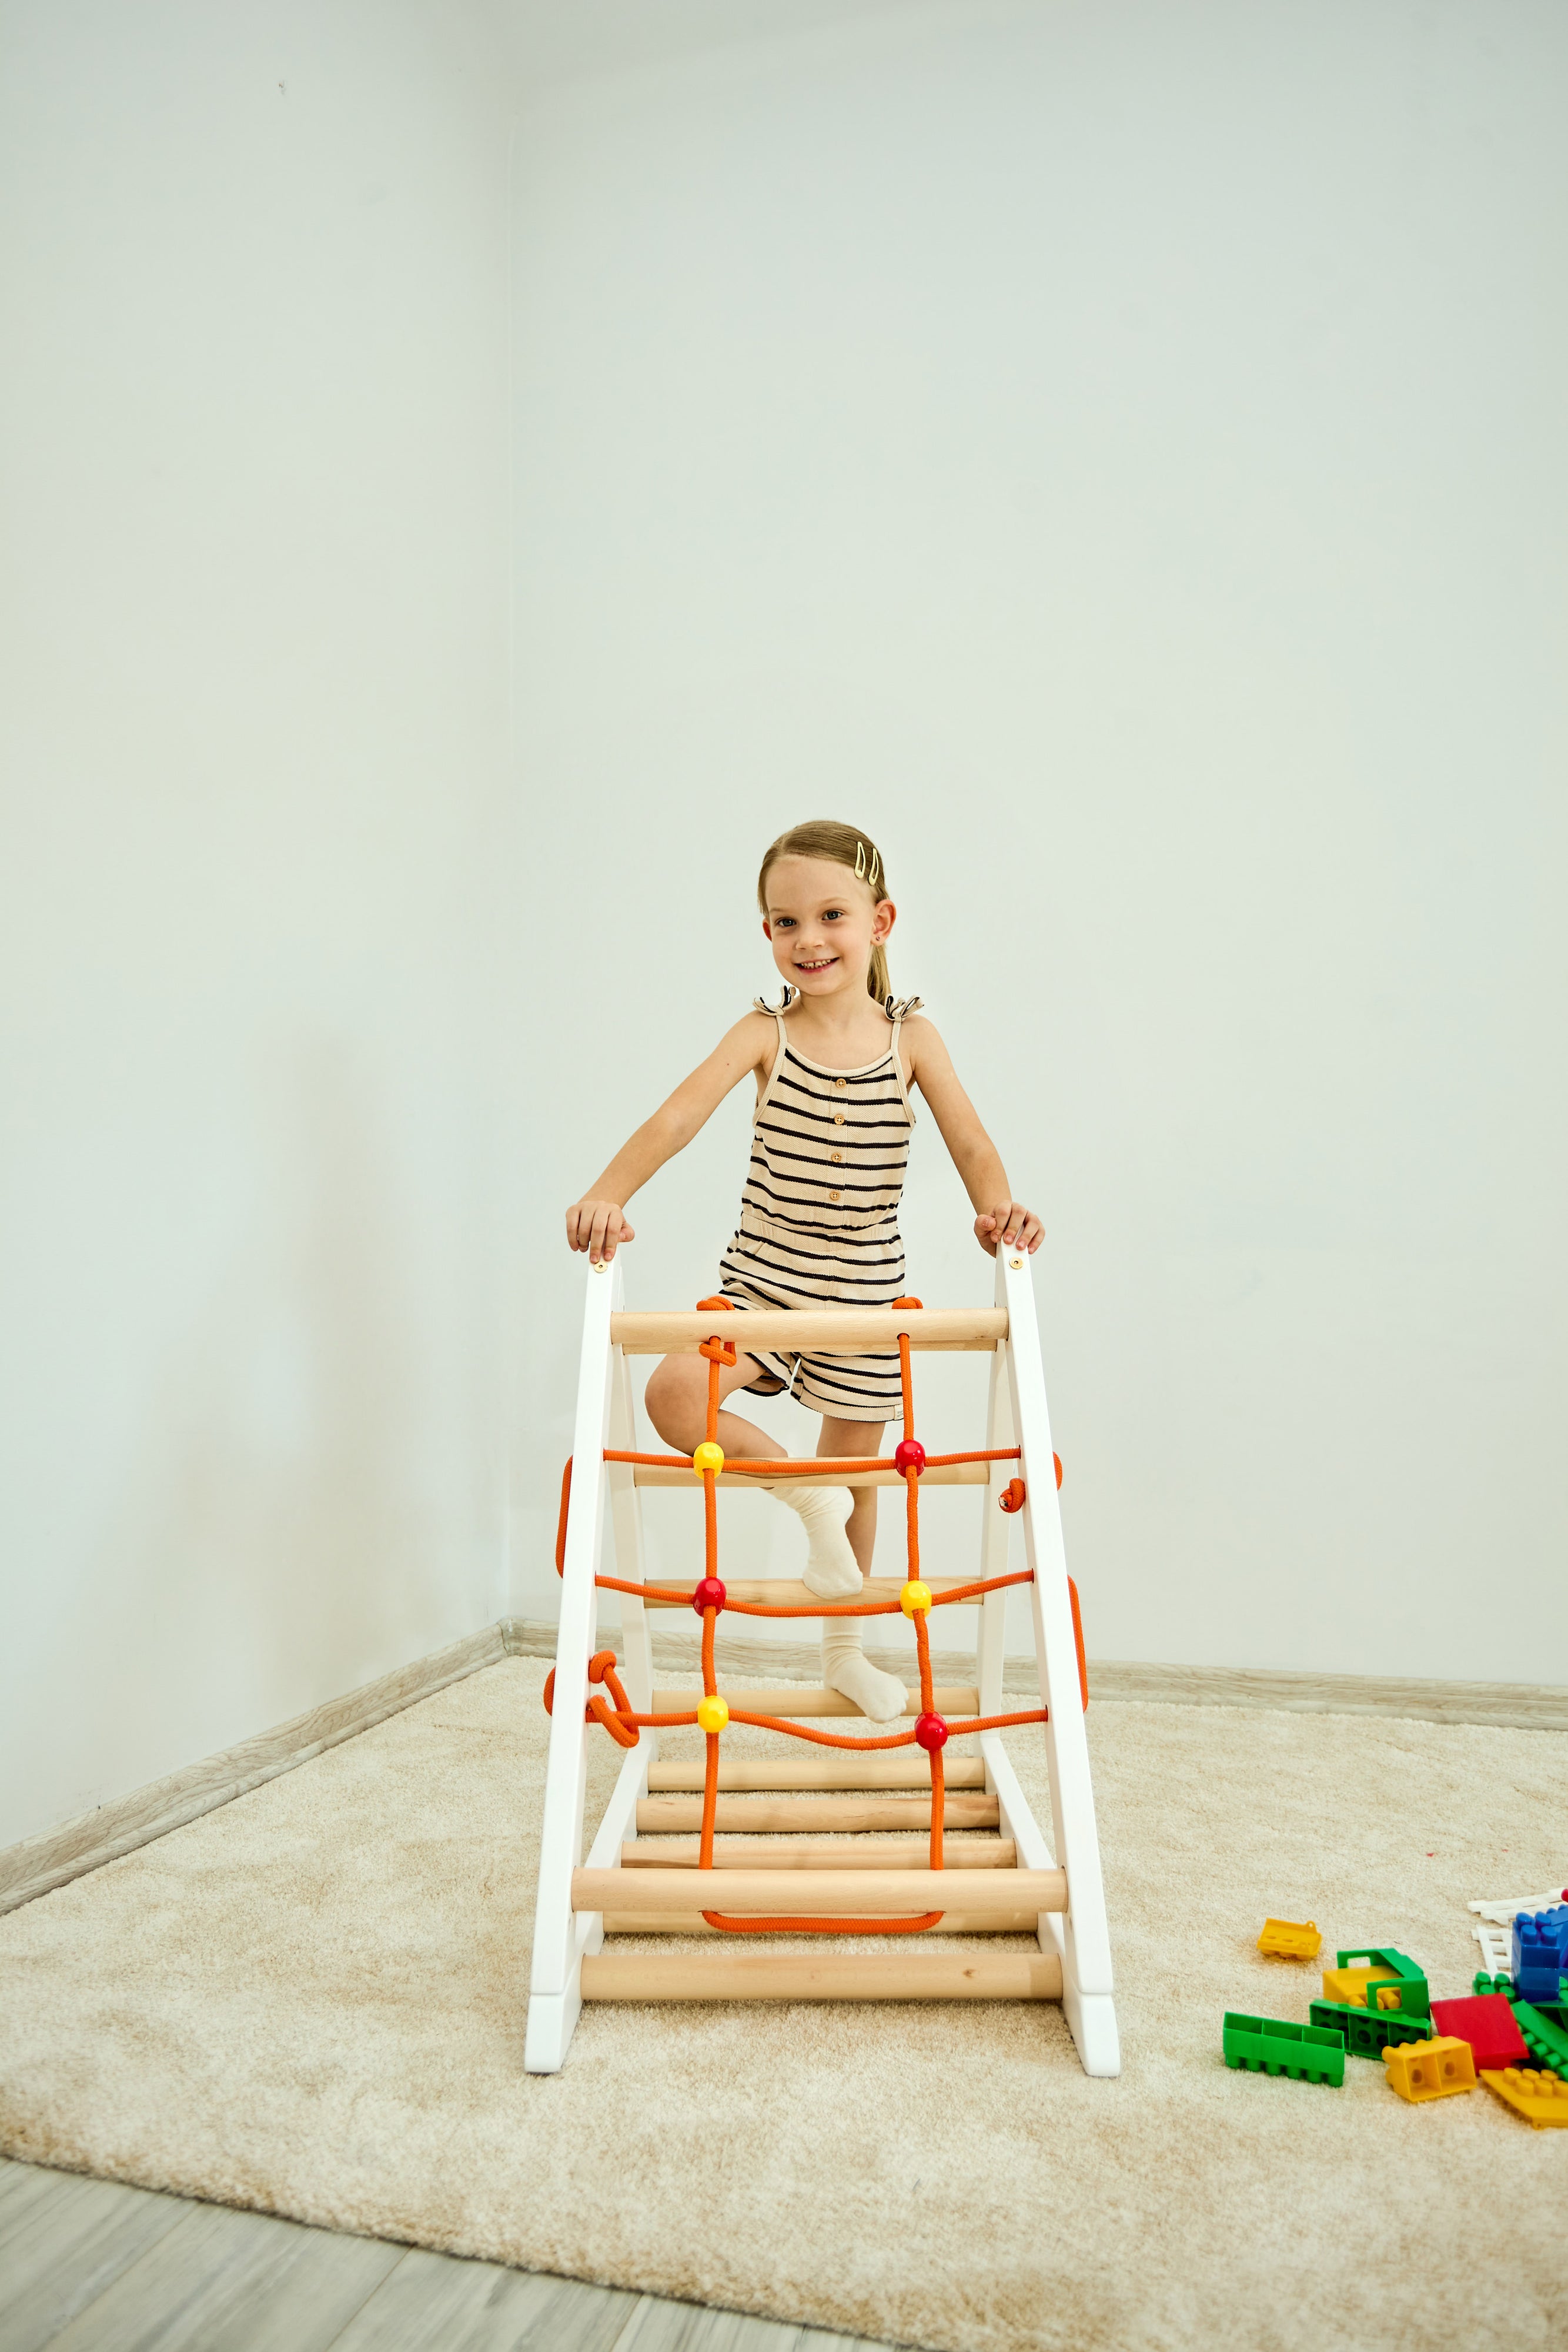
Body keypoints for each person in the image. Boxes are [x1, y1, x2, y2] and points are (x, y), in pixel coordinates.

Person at [564, 818, 1042, 1720]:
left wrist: (997, 1210)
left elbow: (972, 1141)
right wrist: (606, 1192)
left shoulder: (913, 1041)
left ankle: (845, 1653)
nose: (809, 939)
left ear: (881, 921)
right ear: (768, 936)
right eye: (786, 923)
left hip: (863, 1299)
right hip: (763, 1288)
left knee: (862, 1478)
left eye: (831, 915)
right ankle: (804, 1493)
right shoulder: (764, 1034)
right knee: (674, 1396)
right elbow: (676, 1118)